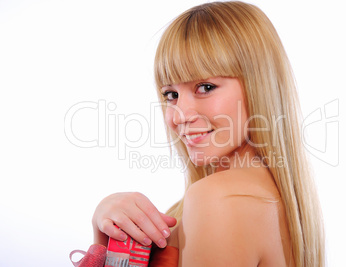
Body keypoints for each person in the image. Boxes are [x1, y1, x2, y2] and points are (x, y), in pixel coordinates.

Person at [92, 1, 325, 266]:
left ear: (258, 85)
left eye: (205, 86)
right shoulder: (273, 199)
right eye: (171, 94)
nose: (179, 115)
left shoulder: (219, 197)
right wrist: (108, 240)